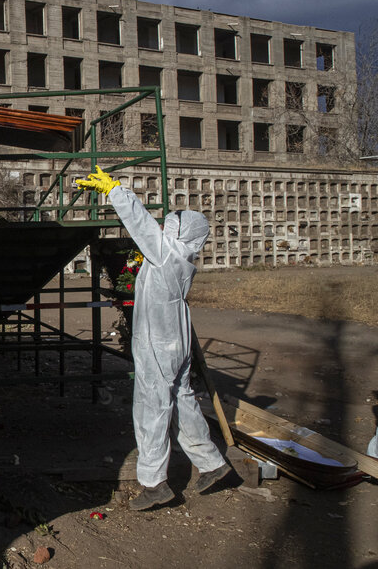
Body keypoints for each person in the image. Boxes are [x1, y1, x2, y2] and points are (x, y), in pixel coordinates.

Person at [78, 166, 231, 510]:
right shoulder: (178, 259)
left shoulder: (165, 255)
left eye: (170, 227)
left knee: (152, 408)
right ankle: (211, 464)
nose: (163, 229)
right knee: (183, 400)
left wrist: (115, 190)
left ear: (180, 235)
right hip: (176, 341)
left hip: (158, 344)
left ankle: (154, 483)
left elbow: (141, 223)